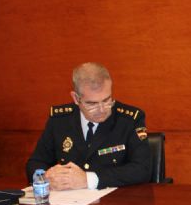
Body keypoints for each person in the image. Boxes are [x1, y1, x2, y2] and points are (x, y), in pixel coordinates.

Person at [26, 62, 151, 190]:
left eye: (107, 100)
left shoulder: (130, 120)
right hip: (68, 200)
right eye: (92, 104)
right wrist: (45, 178)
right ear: (76, 98)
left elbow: (143, 169)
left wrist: (89, 179)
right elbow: (35, 162)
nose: (102, 109)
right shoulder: (60, 120)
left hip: (113, 199)